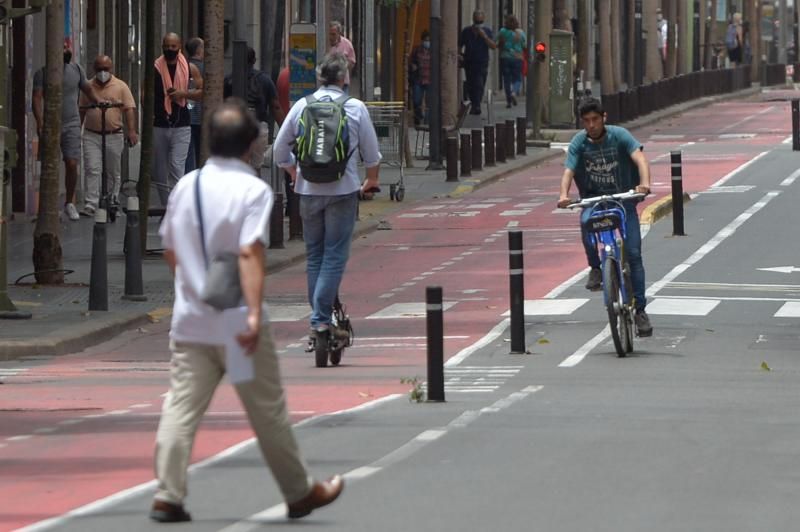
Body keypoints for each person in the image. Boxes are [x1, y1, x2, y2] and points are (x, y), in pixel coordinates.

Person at [151, 99, 344, 523]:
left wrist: (192, 286)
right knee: (267, 410)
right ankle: (298, 492)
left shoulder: (188, 185)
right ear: (251, 144)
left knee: (181, 406)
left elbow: (169, 248)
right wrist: (253, 314)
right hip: (237, 321)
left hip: (191, 319)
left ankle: (168, 493)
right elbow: (250, 254)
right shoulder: (253, 190)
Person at [272, 53, 381, 356]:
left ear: (319, 78)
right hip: (343, 190)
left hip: (307, 191)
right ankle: (320, 320)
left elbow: (280, 150)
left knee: (314, 257)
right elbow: (372, 154)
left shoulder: (301, 106)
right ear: (344, 78)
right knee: (333, 256)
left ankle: (319, 321)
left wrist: (294, 172)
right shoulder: (355, 107)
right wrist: (371, 180)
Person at [557, 98, 653, 337]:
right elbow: (568, 170)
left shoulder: (619, 135)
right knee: (585, 223)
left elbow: (639, 158)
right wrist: (563, 195)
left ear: (604, 118)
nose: (591, 125)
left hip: (624, 199)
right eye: (586, 121)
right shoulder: (578, 142)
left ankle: (640, 310)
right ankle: (596, 268)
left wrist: (644, 184)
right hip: (594, 201)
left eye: (595, 120)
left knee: (633, 254)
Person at [33, 42, 100, 221]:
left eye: (67, 47)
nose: (66, 50)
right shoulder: (42, 73)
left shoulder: (77, 69)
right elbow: (37, 99)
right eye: (62, 47)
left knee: (71, 163)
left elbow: (88, 88)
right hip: (51, 124)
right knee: (50, 164)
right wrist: (40, 123)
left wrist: (99, 101)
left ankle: (69, 203)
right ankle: (49, 206)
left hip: (72, 123)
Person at [78, 55, 138, 216]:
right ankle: (91, 203)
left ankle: (112, 199)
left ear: (111, 69)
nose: (102, 72)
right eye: (99, 69)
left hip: (114, 134)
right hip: (92, 134)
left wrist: (131, 130)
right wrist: (78, 130)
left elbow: (129, 109)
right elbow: (82, 110)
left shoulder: (121, 86)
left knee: (113, 170)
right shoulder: (87, 87)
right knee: (92, 168)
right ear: (93, 69)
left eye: (106, 69)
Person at [153, 32, 203, 208]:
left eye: (173, 46)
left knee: (176, 166)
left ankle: (176, 208)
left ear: (179, 46)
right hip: (159, 125)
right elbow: (145, 94)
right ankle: (166, 207)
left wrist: (183, 94)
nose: (169, 49)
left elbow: (202, 91)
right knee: (159, 171)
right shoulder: (155, 68)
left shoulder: (189, 68)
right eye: (166, 46)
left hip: (182, 125)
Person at [224, 47, 285, 170]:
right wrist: (284, 128)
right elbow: (276, 106)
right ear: (254, 60)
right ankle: (255, 185)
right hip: (258, 126)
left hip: (234, 126)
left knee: (238, 164)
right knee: (256, 166)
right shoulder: (265, 79)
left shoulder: (228, 80)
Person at [459, 10, 497, 115]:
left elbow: (493, 46)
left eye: (480, 22)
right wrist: (460, 56)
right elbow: (459, 45)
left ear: (483, 20)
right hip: (469, 62)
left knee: (479, 84)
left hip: (482, 62)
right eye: (476, 21)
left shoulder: (487, 31)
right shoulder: (466, 31)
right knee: (471, 84)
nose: (478, 24)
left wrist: (484, 36)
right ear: (473, 20)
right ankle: (475, 105)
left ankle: (477, 105)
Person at [184, 37, 204, 173]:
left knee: (189, 152)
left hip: (187, 115)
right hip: (201, 115)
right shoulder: (206, 68)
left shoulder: (183, 66)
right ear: (199, 50)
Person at [497, 14, 526, 108]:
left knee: (506, 79)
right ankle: (514, 92)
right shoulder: (521, 33)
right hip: (517, 58)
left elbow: (497, 42)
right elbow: (525, 45)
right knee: (517, 78)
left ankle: (508, 100)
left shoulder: (502, 31)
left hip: (505, 57)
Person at [409, 30, 432, 126]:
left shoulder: (434, 51)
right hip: (418, 79)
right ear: (422, 41)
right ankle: (418, 119)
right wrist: (413, 66)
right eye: (426, 40)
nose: (427, 42)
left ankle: (427, 122)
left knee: (429, 102)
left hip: (430, 79)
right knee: (417, 100)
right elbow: (411, 62)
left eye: (429, 40)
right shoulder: (416, 50)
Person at [328, 21, 356, 92]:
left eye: (333, 34)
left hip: (342, 83)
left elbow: (352, 62)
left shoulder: (347, 44)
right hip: (328, 83)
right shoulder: (325, 43)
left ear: (339, 33)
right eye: (330, 34)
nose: (331, 37)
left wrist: (342, 66)